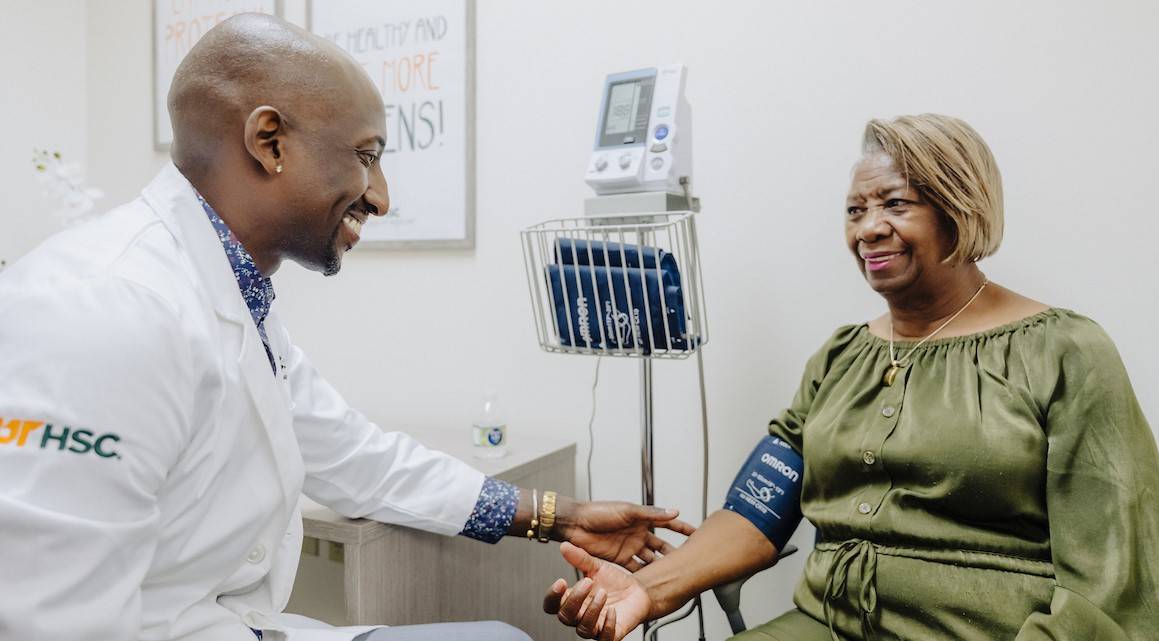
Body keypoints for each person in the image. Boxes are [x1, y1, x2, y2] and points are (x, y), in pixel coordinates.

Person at [0, 14, 693, 641]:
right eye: (365, 156)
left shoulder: (231, 294)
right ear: (269, 141)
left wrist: (557, 515)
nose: (382, 196)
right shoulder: (104, 312)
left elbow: (357, 456)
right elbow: (57, 623)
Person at [544, 114, 1159, 641]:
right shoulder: (842, 358)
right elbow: (757, 513)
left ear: (960, 205)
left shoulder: (1065, 352)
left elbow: (1110, 582)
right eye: (855, 210)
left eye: (895, 204)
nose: (867, 229)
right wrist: (645, 592)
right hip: (823, 625)